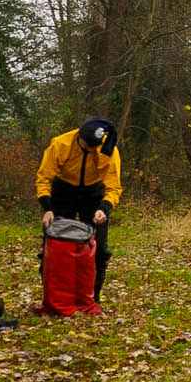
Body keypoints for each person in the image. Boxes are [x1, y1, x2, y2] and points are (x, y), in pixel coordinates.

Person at [37, 117, 122, 298]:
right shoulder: (60, 144)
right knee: (53, 246)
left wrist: (104, 208)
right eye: (87, 145)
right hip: (63, 193)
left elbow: (114, 186)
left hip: (93, 195)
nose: (91, 149)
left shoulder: (108, 149)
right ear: (79, 136)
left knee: (98, 249)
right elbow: (44, 178)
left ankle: (93, 299)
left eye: (94, 147)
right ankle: (53, 297)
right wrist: (47, 208)